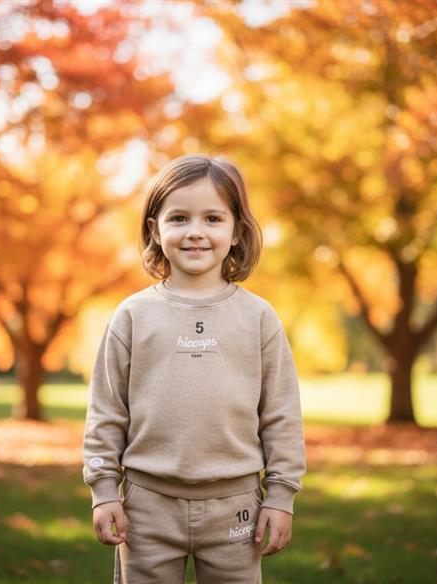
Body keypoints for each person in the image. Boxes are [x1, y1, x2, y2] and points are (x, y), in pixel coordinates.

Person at [82, 153, 306, 583]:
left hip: (237, 504)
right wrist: (103, 490)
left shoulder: (258, 318)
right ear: (155, 229)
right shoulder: (132, 316)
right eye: (179, 218)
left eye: (213, 219)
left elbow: (281, 414)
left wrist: (280, 496)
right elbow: (106, 412)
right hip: (146, 505)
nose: (196, 233)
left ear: (237, 230)